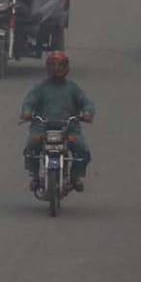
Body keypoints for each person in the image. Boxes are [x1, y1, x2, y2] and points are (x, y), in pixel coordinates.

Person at [20, 51, 95, 191]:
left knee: (82, 150)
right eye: (53, 65)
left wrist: (87, 113)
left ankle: (75, 176)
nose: (56, 69)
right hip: (42, 127)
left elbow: (86, 103)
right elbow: (29, 101)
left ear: (66, 67)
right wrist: (27, 112)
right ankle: (35, 176)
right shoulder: (40, 88)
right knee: (31, 147)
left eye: (60, 65)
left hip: (69, 128)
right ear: (48, 67)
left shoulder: (73, 88)